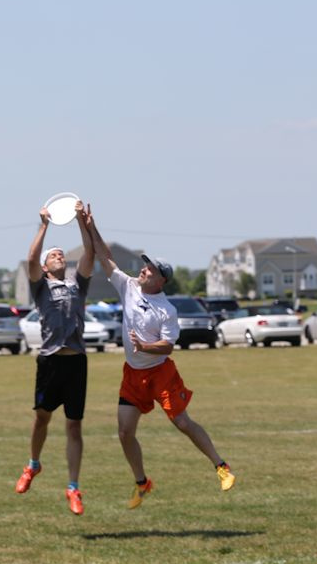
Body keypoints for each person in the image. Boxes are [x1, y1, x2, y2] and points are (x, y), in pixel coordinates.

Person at [84, 209, 235, 508]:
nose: (144, 270)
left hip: (160, 373)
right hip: (133, 374)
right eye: (145, 266)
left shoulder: (166, 310)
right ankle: (142, 483)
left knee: (182, 422)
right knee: (124, 432)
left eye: (150, 269)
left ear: (161, 280)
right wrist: (90, 226)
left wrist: (145, 346)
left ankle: (221, 466)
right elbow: (104, 256)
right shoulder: (127, 286)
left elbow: (167, 347)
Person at [15, 200, 95, 515]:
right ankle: (33, 464)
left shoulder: (77, 285)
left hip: (76, 362)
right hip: (50, 361)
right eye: (53, 255)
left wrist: (81, 222)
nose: (59, 255)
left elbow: (90, 254)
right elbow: (31, 259)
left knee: (74, 426)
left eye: (62, 254)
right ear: (46, 267)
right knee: (42, 418)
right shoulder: (41, 287)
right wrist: (44, 225)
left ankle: (73, 487)